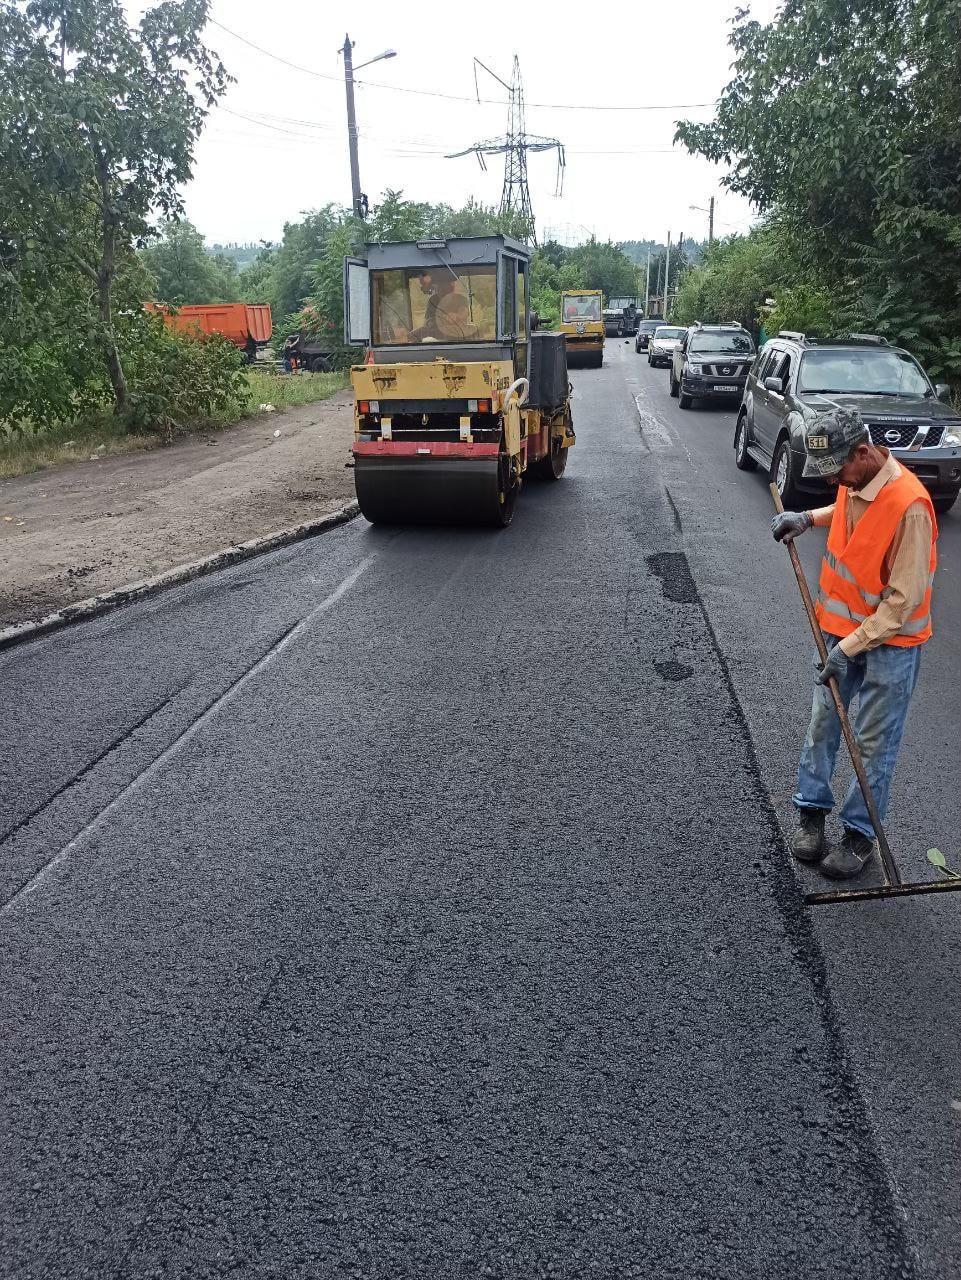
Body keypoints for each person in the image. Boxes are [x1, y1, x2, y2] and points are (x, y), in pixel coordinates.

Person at [772, 407, 937, 879]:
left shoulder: (910, 506)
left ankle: (860, 835)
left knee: (872, 743)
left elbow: (901, 603)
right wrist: (807, 518)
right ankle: (811, 813)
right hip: (840, 632)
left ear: (863, 452)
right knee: (823, 723)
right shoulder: (854, 482)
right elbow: (848, 509)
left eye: (837, 471)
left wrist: (850, 648)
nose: (832, 483)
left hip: (891, 644)